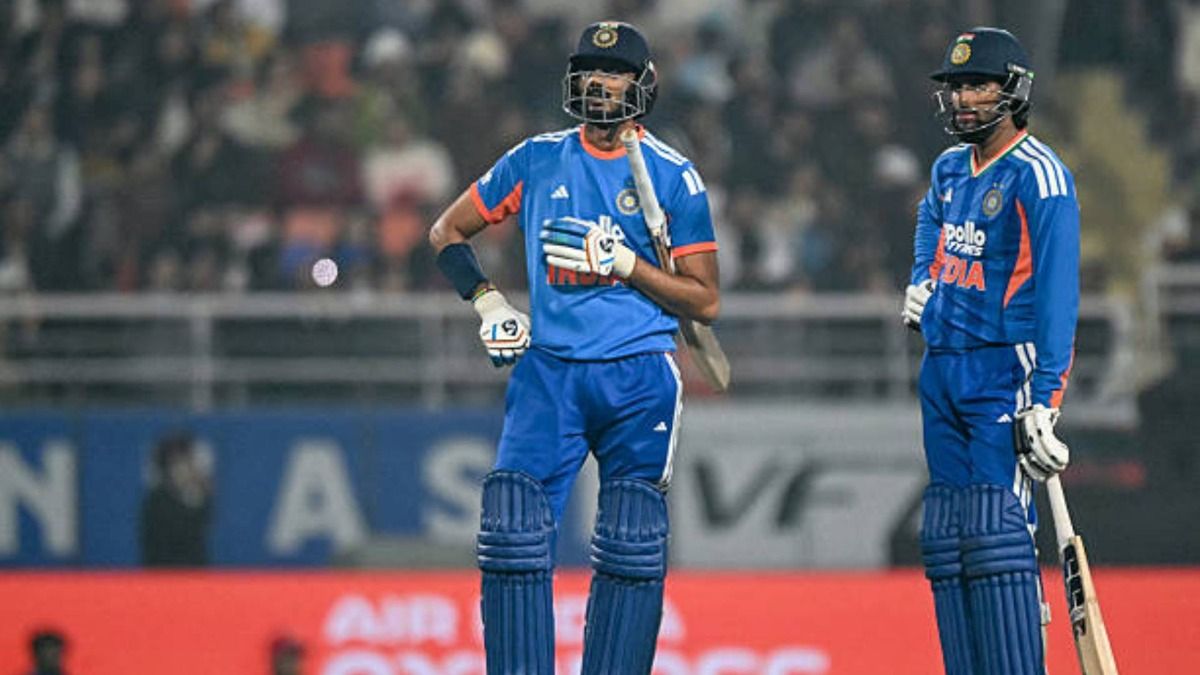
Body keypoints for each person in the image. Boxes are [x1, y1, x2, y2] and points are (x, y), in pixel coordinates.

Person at [428, 20, 719, 674]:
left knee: (631, 543)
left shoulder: (674, 176)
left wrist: (629, 266)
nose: (599, 81)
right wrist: (489, 302)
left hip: (639, 373)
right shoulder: (536, 158)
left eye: (613, 71)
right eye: (590, 68)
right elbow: (446, 231)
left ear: (641, 84)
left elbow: (704, 299)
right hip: (550, 371)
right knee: (510, 529)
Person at [903, 28, 1079, 675]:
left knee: (996, 531)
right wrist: (924, 276)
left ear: (1014, 91)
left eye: (978, 85)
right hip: (942, 367)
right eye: (955, 87)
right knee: (946, 536)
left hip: (1003, 369)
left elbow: (1060, 296)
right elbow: (931, 221)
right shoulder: (950, 168)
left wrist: (1046, 400)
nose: (963, 99)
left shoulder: (1042, 178)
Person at [140, 432, 214, 566]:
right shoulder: (157, 500)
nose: (186, 469)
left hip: (194, 578)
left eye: (188, 462)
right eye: (179, 464)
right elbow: (177, 535)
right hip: (163, 576)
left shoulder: (195, 495)